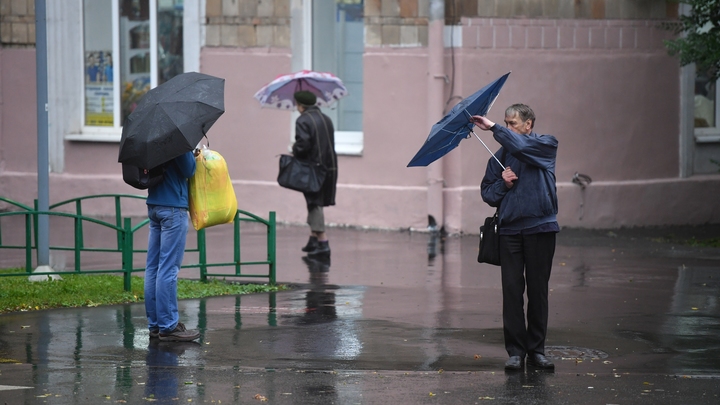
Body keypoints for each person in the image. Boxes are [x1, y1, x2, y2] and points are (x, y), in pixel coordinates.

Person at [472, 104, 559, 371]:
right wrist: (504, 184)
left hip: (540, 228)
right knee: (511, 292)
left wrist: (494, 128)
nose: (508, 127)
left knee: (538, 291)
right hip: (509, 231)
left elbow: (522, 149)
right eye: (505, 123)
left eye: (512, 123)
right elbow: (487, 194)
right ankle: (515, 352)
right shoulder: (498, 158)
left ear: (528, 124)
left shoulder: (545, 145)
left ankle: (537, 351)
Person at [145, 151, 201, 342]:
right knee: (168, 268)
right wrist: (191, 154)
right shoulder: (175, 140)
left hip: (154, 204)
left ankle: (155, 325)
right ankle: (168, 326)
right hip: (172, 207)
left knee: (153, 268)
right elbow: (189, 169)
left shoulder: (151, 139)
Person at [292, 91, 337, 256]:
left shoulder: (303, 120)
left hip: (312, 168)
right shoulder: (326, 119)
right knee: (316, 200)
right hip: (330, 167)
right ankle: (312, 240)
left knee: (314, 202)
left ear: (300, 105)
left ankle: (323, 242)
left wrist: (294, 148)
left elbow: (303, 146)